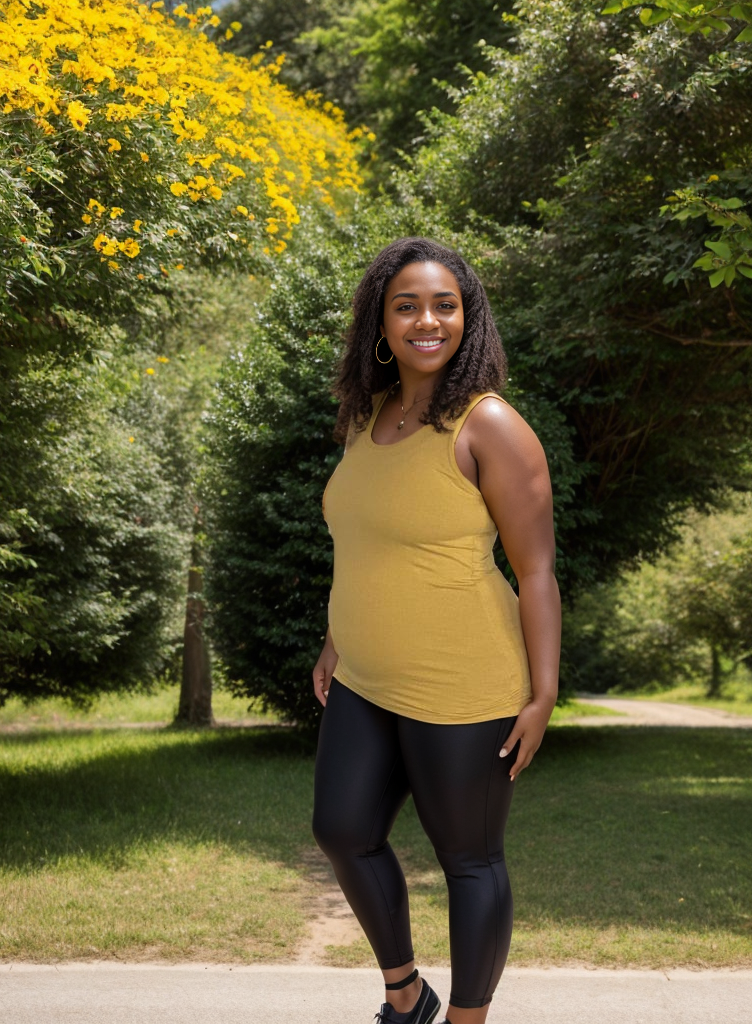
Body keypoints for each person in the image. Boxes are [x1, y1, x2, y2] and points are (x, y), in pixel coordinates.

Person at [312, 237, 560, 1024]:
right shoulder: (369, 416)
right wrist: (336, 635)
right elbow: (365, 540)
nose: (428, 321)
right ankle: (407, 995)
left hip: (464, 681)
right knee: (342, 831)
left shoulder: (490, 427)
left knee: (470, 860)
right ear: (380, 324)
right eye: (407, 306)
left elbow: (538, 572)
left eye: (444, 305)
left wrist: (544, 692)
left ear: (468, 317)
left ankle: (467, 1021)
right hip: (363, 676)